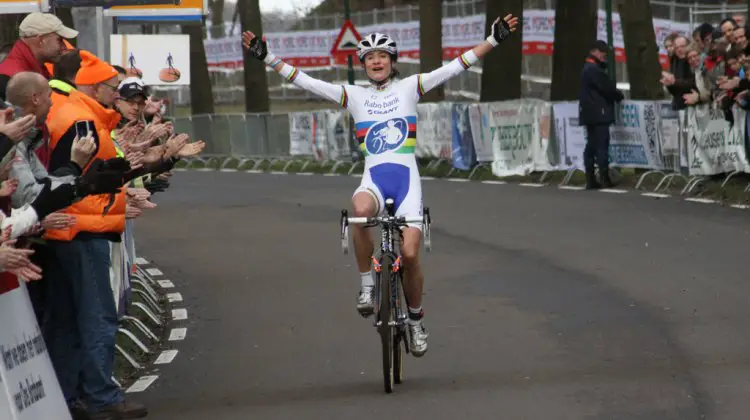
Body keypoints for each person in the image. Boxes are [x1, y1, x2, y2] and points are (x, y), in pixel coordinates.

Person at [242, 13, 518, 357]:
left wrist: (492, 40)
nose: (376, 61)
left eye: (382, 57)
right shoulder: (352, 95)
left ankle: (415, 320)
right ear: (362, 65)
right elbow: (306, 81)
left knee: (410, 254)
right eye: (370, 57)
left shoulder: (411, 86)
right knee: (358, 211)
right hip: (373, 177)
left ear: (392, 62)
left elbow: (454, 67)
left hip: (406, 182)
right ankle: (367, 283)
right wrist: (266, 57)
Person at [44, 51, 146, 419]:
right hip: (83, 226)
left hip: (69, 226)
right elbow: (74, 174)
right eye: (114, 88)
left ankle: (69, 397)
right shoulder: (81, 117)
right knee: (97, 315)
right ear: (92, 85)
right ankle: (102, 396)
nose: (117, 95)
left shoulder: (71, 110)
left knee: (68, 319)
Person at [0, 12, 77, 101]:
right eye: (59, 40)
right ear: (41, 40)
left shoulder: (31, 70)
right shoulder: (9, 79)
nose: (64, 47)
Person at [578, 40, 624, 189]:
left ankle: (590, 178)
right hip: (599, 112)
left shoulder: (587, 68)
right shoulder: (594, 70)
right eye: (603, 52)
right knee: (601, 146)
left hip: (589, 113)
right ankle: (604, 177)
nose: (605, 55)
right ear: (595, 51)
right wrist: (618, 95)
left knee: (591, 145)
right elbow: (607, 88)